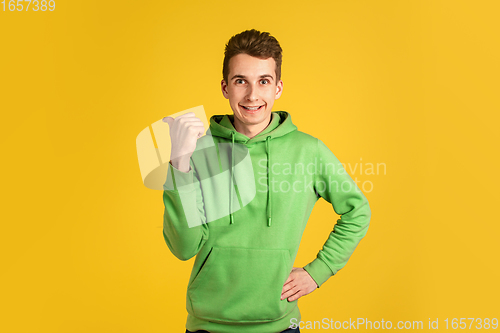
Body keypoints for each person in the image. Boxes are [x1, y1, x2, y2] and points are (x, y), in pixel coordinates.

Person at [162, 29, 371, 333]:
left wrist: (319, 271)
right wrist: (179, 164)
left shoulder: (308, 151)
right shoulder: (197, 150)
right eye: (240, 81)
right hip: (208, 325)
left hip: (280, 325)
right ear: (225, 87)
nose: (252, 95)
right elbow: (183, 248)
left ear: (278, 88)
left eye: (263, 81)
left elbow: (357, 210)